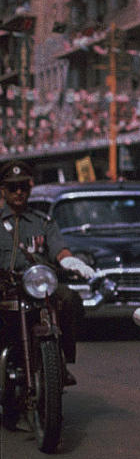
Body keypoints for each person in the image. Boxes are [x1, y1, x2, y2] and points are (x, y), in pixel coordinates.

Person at [0, 160, 94, 382]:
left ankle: (61, 360)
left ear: (30, 187)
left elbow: (58, 249)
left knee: (70, 299)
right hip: (4, 285)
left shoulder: (43, 222)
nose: (19, 192)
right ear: (3, 190)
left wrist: (71, 262)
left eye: (23, 186)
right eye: (13, 187)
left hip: (37, 285)